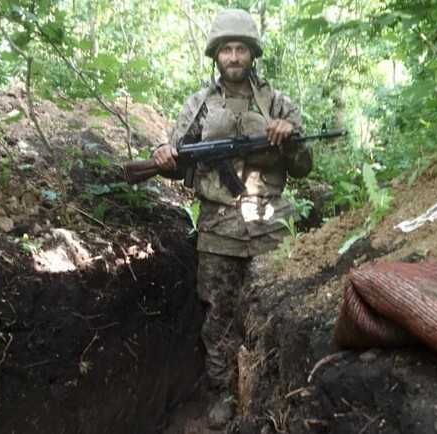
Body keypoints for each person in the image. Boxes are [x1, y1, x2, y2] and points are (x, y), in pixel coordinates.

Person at [152, 7, 312, 428]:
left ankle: (270, 400)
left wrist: (288, 138)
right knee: (219, 318)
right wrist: (163, 155)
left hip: (271, 229)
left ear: (252, 53)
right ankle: (224, 395)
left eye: (242, 48)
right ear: (216, 55)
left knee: (275, 316)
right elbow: (173, 156)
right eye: (227, 49)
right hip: (218, 231)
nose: (235, 57)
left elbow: (304, 166)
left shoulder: (278, 103)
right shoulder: (198, 106)